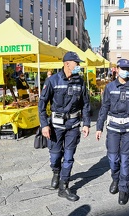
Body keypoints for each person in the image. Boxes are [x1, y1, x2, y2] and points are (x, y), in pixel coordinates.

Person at [38, 51, 90, 202]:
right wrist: (44, 125)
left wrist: (86, 123)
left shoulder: (80, 82)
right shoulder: (52, 81)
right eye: (77, 63)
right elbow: (41, 105)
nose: (79, 66)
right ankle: (56, 172)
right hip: (56, 126)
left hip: (73, 125)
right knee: (55, 155)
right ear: (67, 63)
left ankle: (64, 186)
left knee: (69, 156)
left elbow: (86, 104)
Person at [96, 59, 129, 205]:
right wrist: (99, 127)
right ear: (117, 69)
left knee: (125, 159)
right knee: (113, 158)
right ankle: (115, 178)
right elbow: (104, 107)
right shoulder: (110, 87)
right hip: (113, 128)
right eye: (122, 68)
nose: (125, 70)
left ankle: (124, 188)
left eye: (127, 68)